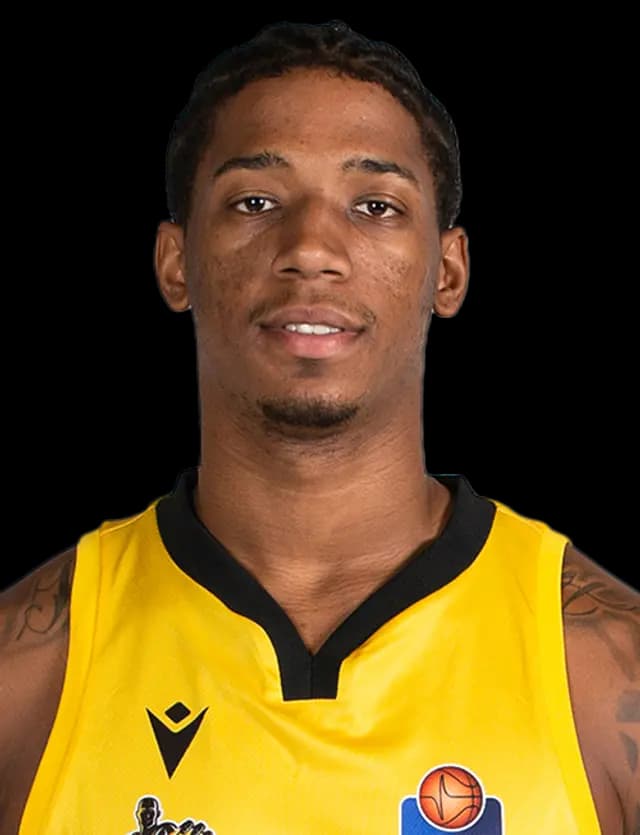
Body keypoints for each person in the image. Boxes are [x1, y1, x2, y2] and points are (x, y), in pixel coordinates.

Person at [0, 18, 637, 835]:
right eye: (256, 202)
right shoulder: (28, 671)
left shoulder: (605, 668)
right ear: (175, 261)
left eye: (374, 205)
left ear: (448, 271)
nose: (310, 247)